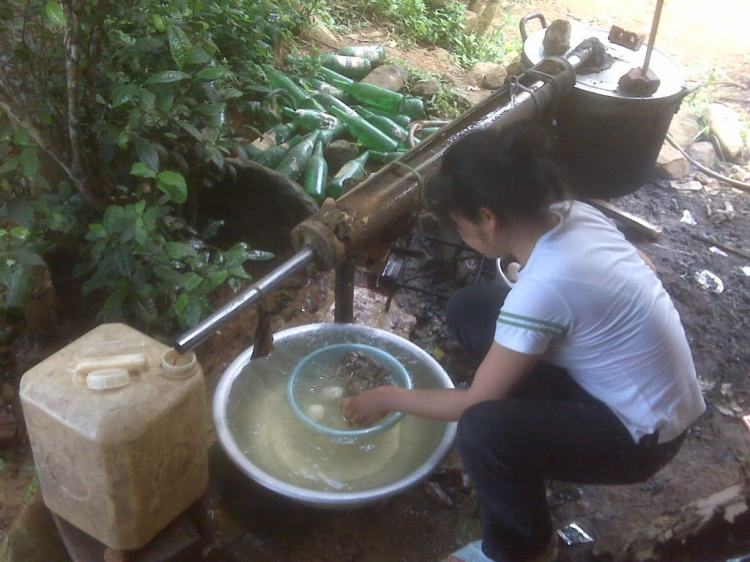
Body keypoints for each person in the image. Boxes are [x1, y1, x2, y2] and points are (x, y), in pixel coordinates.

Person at [341, 120, 706, 562]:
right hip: (658, 397)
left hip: (642, 438)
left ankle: (524, 548)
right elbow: (640, 265)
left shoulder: (544, 290)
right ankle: (533, 437)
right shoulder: (576, 214)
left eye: (459, 225)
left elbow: (473, 402)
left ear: (488, 218)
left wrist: (385, 396)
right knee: (472, 308)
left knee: (482, 429)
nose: (462, 236)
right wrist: (533, 281)